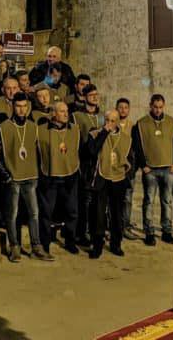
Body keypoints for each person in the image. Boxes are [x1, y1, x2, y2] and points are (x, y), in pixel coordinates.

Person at [0, 92, 53, 262]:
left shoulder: (33, 127)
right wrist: (6, 176)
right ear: (12, 106)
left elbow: (40, 153)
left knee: (34, 213)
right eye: (18, 106)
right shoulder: (3, 128)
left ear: (28, 107)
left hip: (31, 176)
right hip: (13, 178)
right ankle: (14, 247)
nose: (21, 110)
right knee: (12, 214)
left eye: (24, 106)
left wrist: (40, 173)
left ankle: (36, 247)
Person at [86, 110, 134, 258]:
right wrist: (104, 133)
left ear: (118, 122)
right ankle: (97, 245)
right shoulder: (95, 133)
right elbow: (92, 151)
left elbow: (131, 158)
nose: (109, 123)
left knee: (117, 214)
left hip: (118, 179)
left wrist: (127, 173)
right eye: (107, 120)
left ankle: (116, 244)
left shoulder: (125, 138)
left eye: (113, 121)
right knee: (98, 214)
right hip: (101, 178)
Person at [133, 94, 173, 246]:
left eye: (160, 107)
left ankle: (167, 231)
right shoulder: (141, 123)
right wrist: (143, 165)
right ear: (150, 106)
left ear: (163, 106)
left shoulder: (172, 122)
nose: (158, 110)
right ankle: (149, 233)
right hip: (150, 170)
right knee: (149, 201)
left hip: (168, 169)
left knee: (167, 201)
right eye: (155, 107)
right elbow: (137, 146)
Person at [36, 101, 81, 255]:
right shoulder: (41, 130)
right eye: (62, 111)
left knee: (72, 211)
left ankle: (70, 241)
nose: (65, 114)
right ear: (53, 114)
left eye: (66, 111)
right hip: (50, 176)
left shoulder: (75, 129)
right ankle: (45, 243)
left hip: (70, 175)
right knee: (46, 212)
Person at [73, 84, 101, 246]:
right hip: (84, 163)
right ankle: (81, 233)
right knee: (84, 201)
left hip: (100, 163)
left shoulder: (102, 116)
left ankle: (96, 232)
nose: (95, 97)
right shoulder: (77, 116)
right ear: (84, 97)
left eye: (96, 94)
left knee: (97, 202)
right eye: (91, 95)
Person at [115, 98, 138, 240]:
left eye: (125, 107)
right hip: (113, 168)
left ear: (129, 110)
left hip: (129, 169)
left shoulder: (133, 127)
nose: (123, 110)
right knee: (113, 199)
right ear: (116, 109)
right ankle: (113, 227)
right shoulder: (112, 124)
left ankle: (126, 226)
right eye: (120, 107)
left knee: (127, 198)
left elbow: (136, 148)